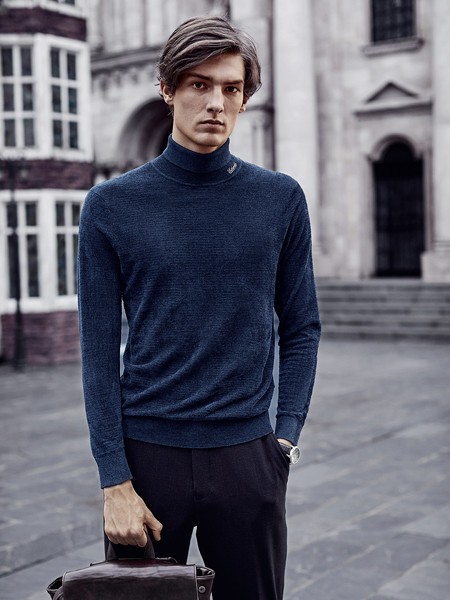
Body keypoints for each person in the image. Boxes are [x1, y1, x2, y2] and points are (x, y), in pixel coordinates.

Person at [78, 15, 321, 600]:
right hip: (147, 461)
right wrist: (114, 480)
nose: (216, 102)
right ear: (167, 89)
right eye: (199, 84)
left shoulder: (280, 199)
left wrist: (285, 439)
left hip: (248, 458)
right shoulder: (110, 206)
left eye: (231, 88)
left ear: (245, 97)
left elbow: (302, 327)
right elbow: (96, 349)